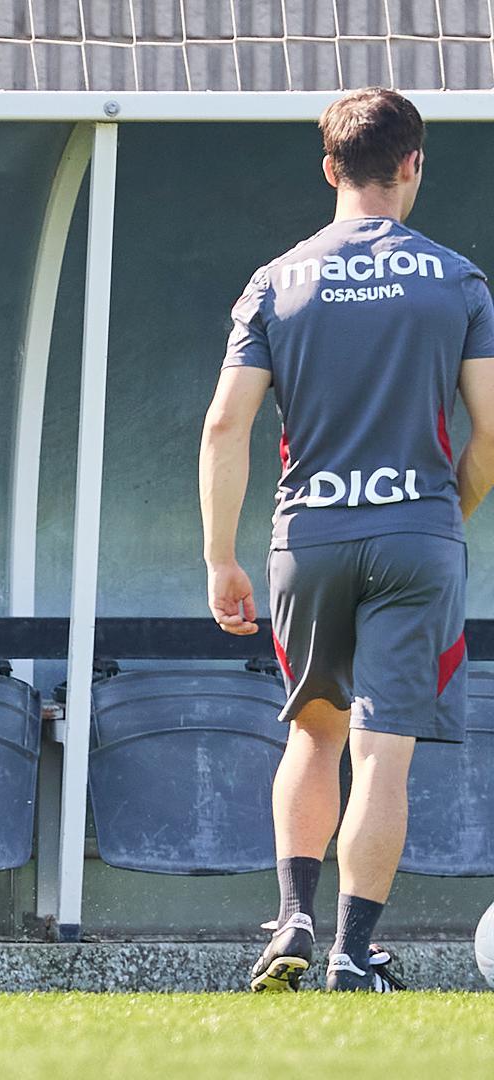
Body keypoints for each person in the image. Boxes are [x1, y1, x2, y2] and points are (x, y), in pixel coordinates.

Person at [200, 87, 494, 992]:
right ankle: (352, 952)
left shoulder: (274, 281)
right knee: (384, 747)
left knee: (315, 734)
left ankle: (291, 917)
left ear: (330, 168)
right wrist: (447, 516)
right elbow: (492, 430)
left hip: (309, 534)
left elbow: (224, 426)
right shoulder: (458, 280)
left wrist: (221, 558)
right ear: (413, 166)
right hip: (417, 531)